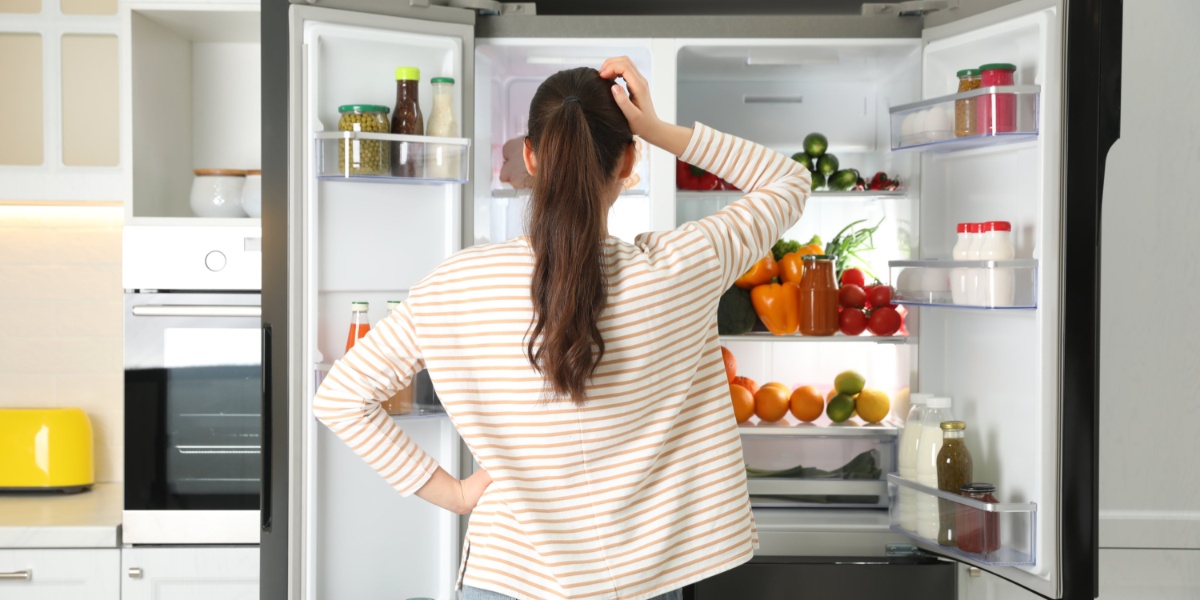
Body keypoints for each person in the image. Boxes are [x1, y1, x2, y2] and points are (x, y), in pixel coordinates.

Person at [313, 56, 811, 600]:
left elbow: (340, 399)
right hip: (644, 581)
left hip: (506, 580)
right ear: (628, 162)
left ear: (530, 156)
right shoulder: (682, 267)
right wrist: (655, 127)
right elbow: (788, 180)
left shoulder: (455, 284)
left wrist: (457, 494)